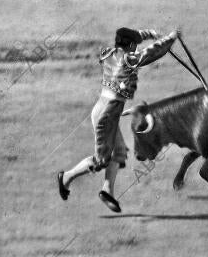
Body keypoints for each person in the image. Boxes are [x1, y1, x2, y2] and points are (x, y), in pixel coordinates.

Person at [58, 27, 180, 212]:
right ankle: (66, 177)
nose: (136, 48)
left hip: (102, 109)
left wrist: (150, 33)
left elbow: (135, 40)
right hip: (107, 115)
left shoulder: (109, 53)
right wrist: (170, 39)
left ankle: (107, 190)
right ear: (131, 45)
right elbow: (152, 53)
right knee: (102, 160)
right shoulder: (130, 59)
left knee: (120, 151)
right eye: (135, 45)